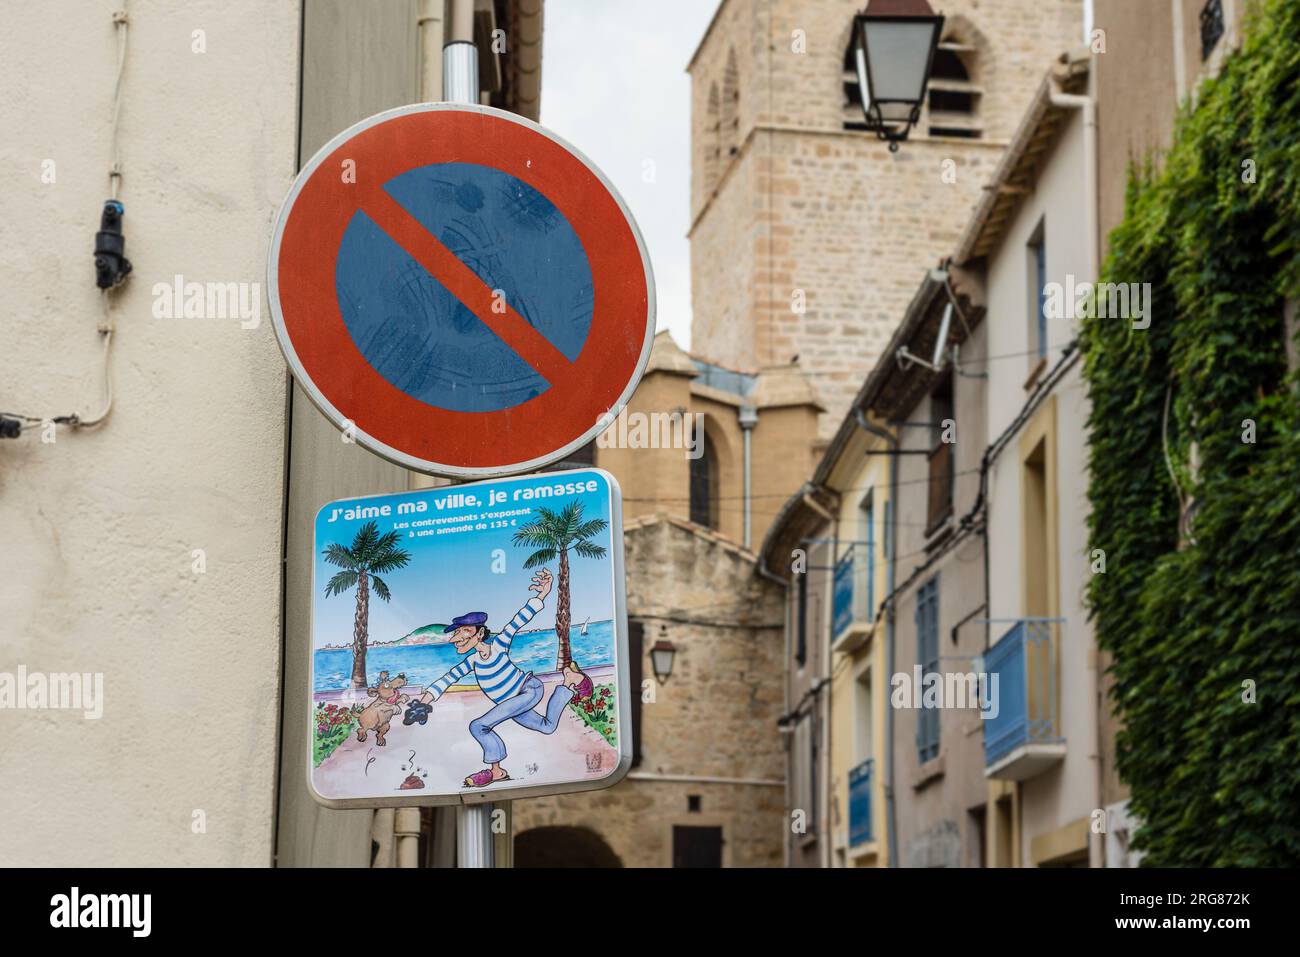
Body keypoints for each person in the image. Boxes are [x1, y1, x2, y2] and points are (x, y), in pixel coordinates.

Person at [416, 568, 588, 787]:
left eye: (462, 632)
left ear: (479, 633)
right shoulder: (472, 662)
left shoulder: (498, 645)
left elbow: (518, 621)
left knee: (479, 726)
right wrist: (424, 702)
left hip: (528, 689)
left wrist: (542, 594)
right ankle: (569, 684)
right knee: (547, 726)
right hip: (512, 703)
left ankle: (496, 772)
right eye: (455, 634)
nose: (455, 638)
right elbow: (447, 679)